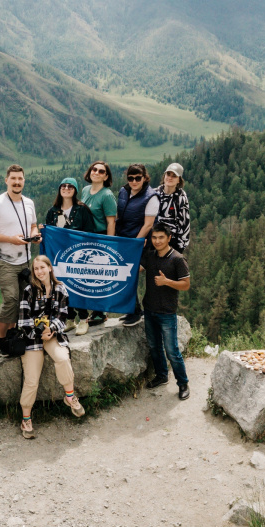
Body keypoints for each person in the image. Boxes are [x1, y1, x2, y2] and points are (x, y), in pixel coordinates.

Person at [17, 255, 85, 439]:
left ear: (49, 268)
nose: (39, 272)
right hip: (32, 338)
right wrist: (39, 333)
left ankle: (70, 397)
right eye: (35, 269)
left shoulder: (61, 289)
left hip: (52, 335)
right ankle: (26, 418)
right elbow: (23, 320)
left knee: (62, 358)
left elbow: (62, 317)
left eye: (42, 267)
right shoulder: (29, 291)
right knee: (32, 379)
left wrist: (51, 330)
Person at [0, 164, 40, 357]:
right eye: (13, 178)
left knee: (23, 300)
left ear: (24, 180)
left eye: (20, 178)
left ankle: (14, 335)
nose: (16, 182)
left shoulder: (29, 203)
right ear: (6, 180)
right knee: (11, 299)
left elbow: (33, 225)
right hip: (4, 260)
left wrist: (34, 234)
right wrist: (10, 239)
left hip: (25, 260)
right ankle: (1, 340)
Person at [140, 223, 191, 400]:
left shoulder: (178, 259)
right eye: (154, 238)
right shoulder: (150, 255)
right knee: (154, 346)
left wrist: (166, 282)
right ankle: (162, 376)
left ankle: (183, 383)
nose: (157, 241)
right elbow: (138, 268)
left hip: (167, 312)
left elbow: (186, 285)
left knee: (172, 350)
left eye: (161, 237)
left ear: (169, 238)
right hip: (149, 309)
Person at [43, 177, 95, 331]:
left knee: (78, 286)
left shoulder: (82, 209)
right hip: (59, 258)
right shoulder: (52, 212)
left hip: (78, 257)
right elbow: (49, 235)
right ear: (60, 189)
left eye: (70, 186)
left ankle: (84, 319)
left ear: (75, 190)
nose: (66, 188)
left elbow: (90, 232)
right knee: (63, 287)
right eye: (64, 186)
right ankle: (70, 318)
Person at [115, 164, 159, 327]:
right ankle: (131, 309)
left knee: (131, 275)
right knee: (124, 275)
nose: (134, 181)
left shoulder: (151, 197)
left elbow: (148, 224)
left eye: (137, 178)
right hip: (123, 240)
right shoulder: (123, 191)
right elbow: (119, 214)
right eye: (131, 178)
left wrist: (136, 242)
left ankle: (136, 311)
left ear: (144, 178)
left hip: (139, 243)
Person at [79, 160, 117, 332]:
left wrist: (108, 244)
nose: (96, 172)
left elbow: (111, 221)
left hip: (101, 237)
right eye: (94, 169)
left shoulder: (107, 195)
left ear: (106, 176)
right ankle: (94, 310)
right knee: (86, 275)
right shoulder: (85, 190)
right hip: (86, 237)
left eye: (101, 171)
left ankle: (100, 312)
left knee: (98, 275)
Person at [155, 163, 191, 253]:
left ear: (179, 180)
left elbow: (184, 224)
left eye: (174, 176)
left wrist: (179, 249)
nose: (170, 178)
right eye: (168, 174)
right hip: (153, 240)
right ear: (164, 176)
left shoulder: (181, 198)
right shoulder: (154, 194)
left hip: (172, 244)